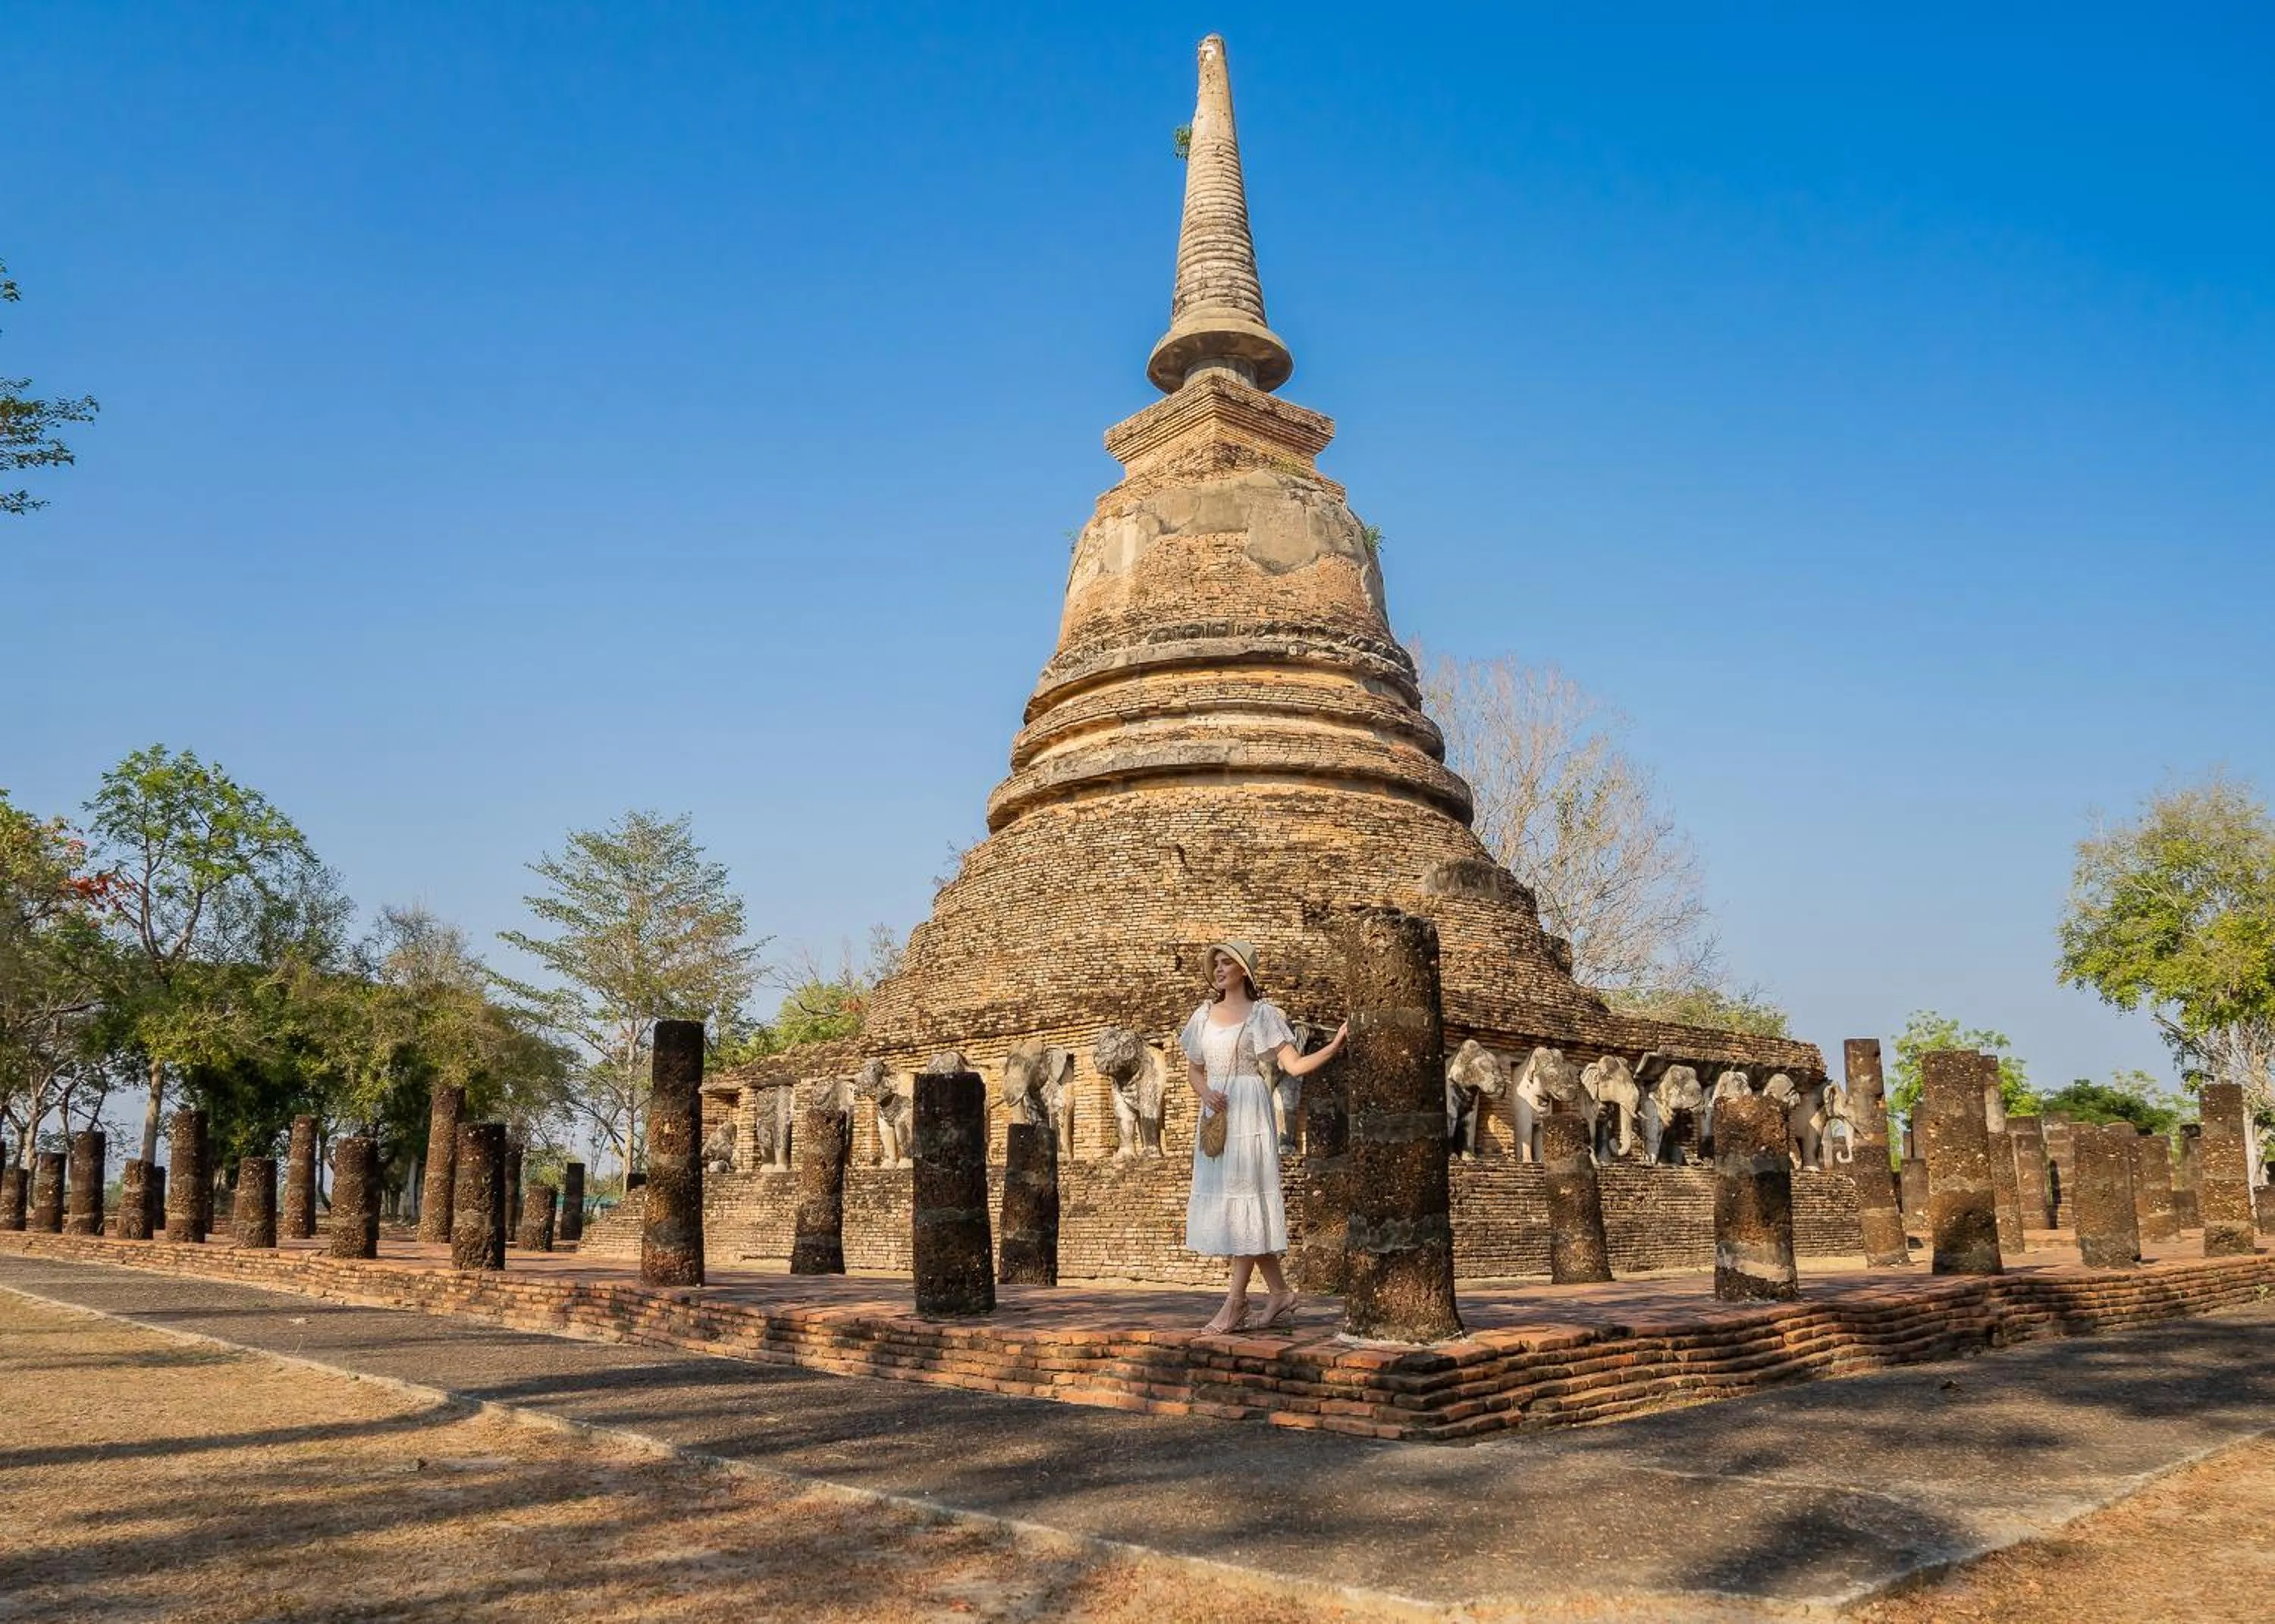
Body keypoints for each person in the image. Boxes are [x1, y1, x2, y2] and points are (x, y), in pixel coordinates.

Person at [1180, 940, 1346, 1334]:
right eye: (1215, 963)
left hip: (1251, 1109)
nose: (1219, 969)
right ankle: (1280, 1293)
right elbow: (1193, 1070)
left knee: (1246, 1198)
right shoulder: (1203, 1016)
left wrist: (1337, 1045)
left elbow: (1295, 1065)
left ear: (1243, 971)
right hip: (1217, 1114)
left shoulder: (1263, 1015)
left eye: (1226, 963)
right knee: (1235, 1200)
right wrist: (1205, 1093)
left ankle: (1235, 1302)